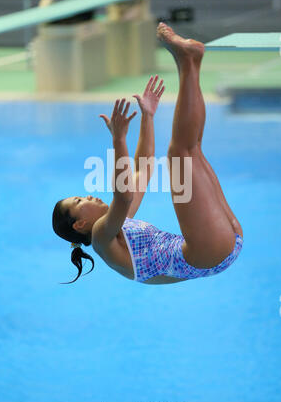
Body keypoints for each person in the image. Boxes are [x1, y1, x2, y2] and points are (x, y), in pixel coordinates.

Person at [52, 23, 243, 285]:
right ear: (79, 224)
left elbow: (144, 167)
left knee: (189, 151)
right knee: (181, 154)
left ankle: (188, 62)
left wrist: (148, 116)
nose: (87, 195)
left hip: (217, 247)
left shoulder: (121, 225)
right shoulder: (100, 237)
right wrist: (118, 140)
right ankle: (187, 60)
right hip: (206, 251)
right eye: (78, 201)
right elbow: (123, 194)